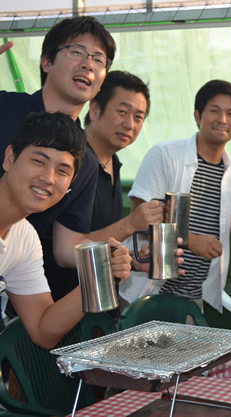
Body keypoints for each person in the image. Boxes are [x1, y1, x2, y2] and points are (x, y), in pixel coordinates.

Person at [120, 80, 231, 314]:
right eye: (214, 111)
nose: (223, 119)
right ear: (197, 116)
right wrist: (190, 240)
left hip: (194, 299)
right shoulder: (165, 154)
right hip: (148, 293)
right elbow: (139, 220)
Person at [0, 16, 120, 302]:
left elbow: (67, 248)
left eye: (99, 60)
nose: (88, 64)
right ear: (46, 62)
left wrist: (109, 260)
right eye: (76, 51)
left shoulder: (86, 162)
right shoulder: (4, 108)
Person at [0, 112, 131, 349]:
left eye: (62, 171)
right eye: (39, 161)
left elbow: (42, 329)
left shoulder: (25, 238)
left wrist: (100, 276)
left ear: (71, 183)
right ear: (10, 158)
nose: (49, 178)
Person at [45, 71, 164, 313]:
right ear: (95, 109)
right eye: (122, 112)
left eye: (138, 117)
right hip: (58, 306)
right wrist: (130, 224)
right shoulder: (72, 161)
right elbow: (66, 250)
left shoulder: (113, 163)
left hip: (98, 307)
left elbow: (95, 236)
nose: (130, 124)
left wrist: (130, 258)